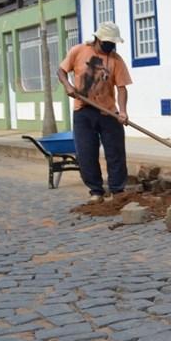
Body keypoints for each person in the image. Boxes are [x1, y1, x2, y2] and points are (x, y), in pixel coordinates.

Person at [57, 21, 132, 204]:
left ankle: (117, 190)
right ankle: (96, 191)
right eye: (107, 43)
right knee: (86, 153)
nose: (110, 46)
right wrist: (68, 85)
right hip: (83, 111)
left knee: (115, 152)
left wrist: (122, 111)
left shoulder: (116, 60)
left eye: (112, 44)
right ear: (97, 39)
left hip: (108, 112)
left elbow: (122, 88)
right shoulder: (78, 51)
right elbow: (61, 70)